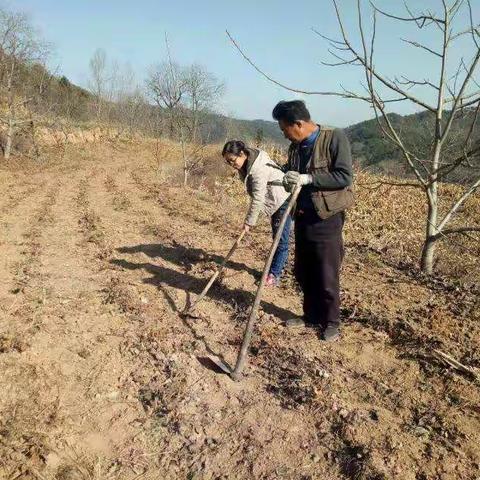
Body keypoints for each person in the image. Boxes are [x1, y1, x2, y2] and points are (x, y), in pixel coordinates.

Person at [272, 100, 354, 341]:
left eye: (285, 129)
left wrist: (308, 179)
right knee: (303, 270)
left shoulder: (334, 138)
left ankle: (331, 322)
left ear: (298, 124)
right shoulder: (296, 147)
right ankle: (311, 315)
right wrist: (285, 175)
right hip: (303, 215)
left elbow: (343, 176)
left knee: (326, 273)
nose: (284, 135)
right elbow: (291, 169)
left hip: (326, 217)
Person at [222, 140, 291, 286]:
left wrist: (249, 222)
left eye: (232, 160)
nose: (231, 164)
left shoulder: (258, 168)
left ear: (241, 154)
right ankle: (271, 269)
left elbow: (258, 198)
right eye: (228, 162)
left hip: (281, 200)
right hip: (273, 199)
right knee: (276, 236)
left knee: (280, 239)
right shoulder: (247, 163)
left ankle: (274, 274)